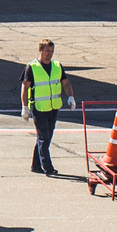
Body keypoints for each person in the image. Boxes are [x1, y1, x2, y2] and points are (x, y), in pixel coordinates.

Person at [20, 40, 72, 176]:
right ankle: (48, 168)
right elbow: (25, 87)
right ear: (40, 50)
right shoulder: (32, 67)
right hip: (39, 107)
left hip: (53, 107)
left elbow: (65, 83)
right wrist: (24, 107)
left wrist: (70, 96)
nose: (49, 54)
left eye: (51, 51)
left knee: (46, 138)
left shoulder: (57, 65)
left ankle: (35, 165)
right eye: (47, 51)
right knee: (44, 137)